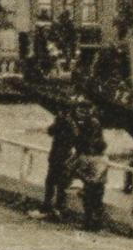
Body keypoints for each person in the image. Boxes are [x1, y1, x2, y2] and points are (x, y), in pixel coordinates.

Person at [40, 96, 85, 221]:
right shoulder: (72, 123)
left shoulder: (62, 121)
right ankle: (57, 208)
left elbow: (50, 131)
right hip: (65, 155)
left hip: (58, 155)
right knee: (61, 183)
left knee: (51, 181)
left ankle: (49, 206)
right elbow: (76, 138)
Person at [71, 102, 112, 231]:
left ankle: (90, 223)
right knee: (96, 199)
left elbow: (87, 141)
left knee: (90, 199)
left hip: (91, 168)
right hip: (97, 174)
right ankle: (95, 224)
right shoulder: (89, 123)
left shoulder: (91, 123)